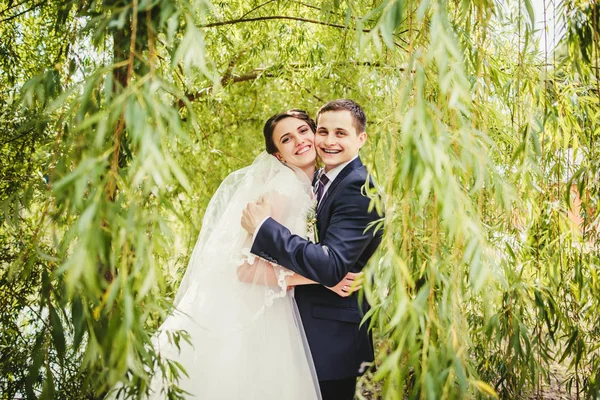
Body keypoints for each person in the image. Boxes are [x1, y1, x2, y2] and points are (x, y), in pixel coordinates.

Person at [107, 109, 361, 400]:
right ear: (278, 155)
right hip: (260, 314)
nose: (299, 141)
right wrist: (322, 279)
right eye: (287, 139)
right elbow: (246, 270)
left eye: (304, 131)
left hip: (284, 312)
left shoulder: (312, 188)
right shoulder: (282, 191)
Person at [242, 99, 384, 400]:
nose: (329, 141)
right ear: (277, 155)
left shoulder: (359, 187)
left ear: (361, 138)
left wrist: (265, 228)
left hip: (330, 339)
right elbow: (245, 267)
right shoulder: (314, 182)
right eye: (323, 131)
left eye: (341, 133)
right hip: (303, 331)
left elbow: (332, 263)